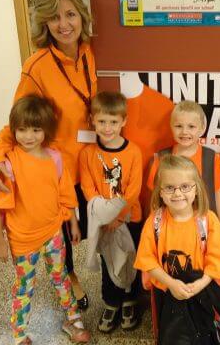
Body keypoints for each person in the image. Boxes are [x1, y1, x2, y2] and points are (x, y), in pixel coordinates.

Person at [0, 0, 96, 308]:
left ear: (82, 16)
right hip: (58, 165)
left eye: (70, 14)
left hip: (91, 159)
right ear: (45, 24)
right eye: (55, 18)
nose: (64, 24)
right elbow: (19, 117)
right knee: (61, 228)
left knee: (91, 224)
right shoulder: (36, 66)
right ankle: (69, 276)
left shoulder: (92, 53)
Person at [0, 95, 90, 345]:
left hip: (54, 234)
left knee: (62, 278)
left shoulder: (55, 158)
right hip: (23, 241)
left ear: (47, 130)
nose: (28, 136)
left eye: (36, 129)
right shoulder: (8, 165)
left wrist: (73, 223)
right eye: (21, 129)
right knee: (24, 287)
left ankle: (73, 319)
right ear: (13, 130)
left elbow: (66, 195)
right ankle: (19, 333)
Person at [135, 155, 220, 344]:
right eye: (170, 187)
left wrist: (200, 284)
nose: (178, 193)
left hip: (200, 289)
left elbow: (218, 258)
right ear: (160, 192)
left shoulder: (208, 220)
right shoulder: (154, 222)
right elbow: (146, 259)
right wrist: (171, 283)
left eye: (185, 186)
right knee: (170, 334)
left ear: (196, 189)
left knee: (203, 331)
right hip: (166, 291)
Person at [78, 91, 143, 333]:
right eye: (102, 121)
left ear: (123, 121)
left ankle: (130, 300)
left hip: (129, 218)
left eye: (113, 122)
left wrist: (118, 217)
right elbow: (88, 187)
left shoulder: (133, 152)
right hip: (102, 222)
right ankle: (112, 302)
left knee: (129, 259)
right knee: (108, 262)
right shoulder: (87, 154)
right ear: (92, 120)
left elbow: (134, 190)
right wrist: (104, 216)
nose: (107, 128)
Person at [146, 100, 220, 228]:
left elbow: (217, 194)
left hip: (204, 228)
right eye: (178, 126)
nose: (184, 132)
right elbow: (154, 199)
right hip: (170, 227)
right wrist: (155, 229)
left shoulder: (211, 157)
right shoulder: (161, 158)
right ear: (171, 127)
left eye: (191, 127)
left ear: (202, 128)